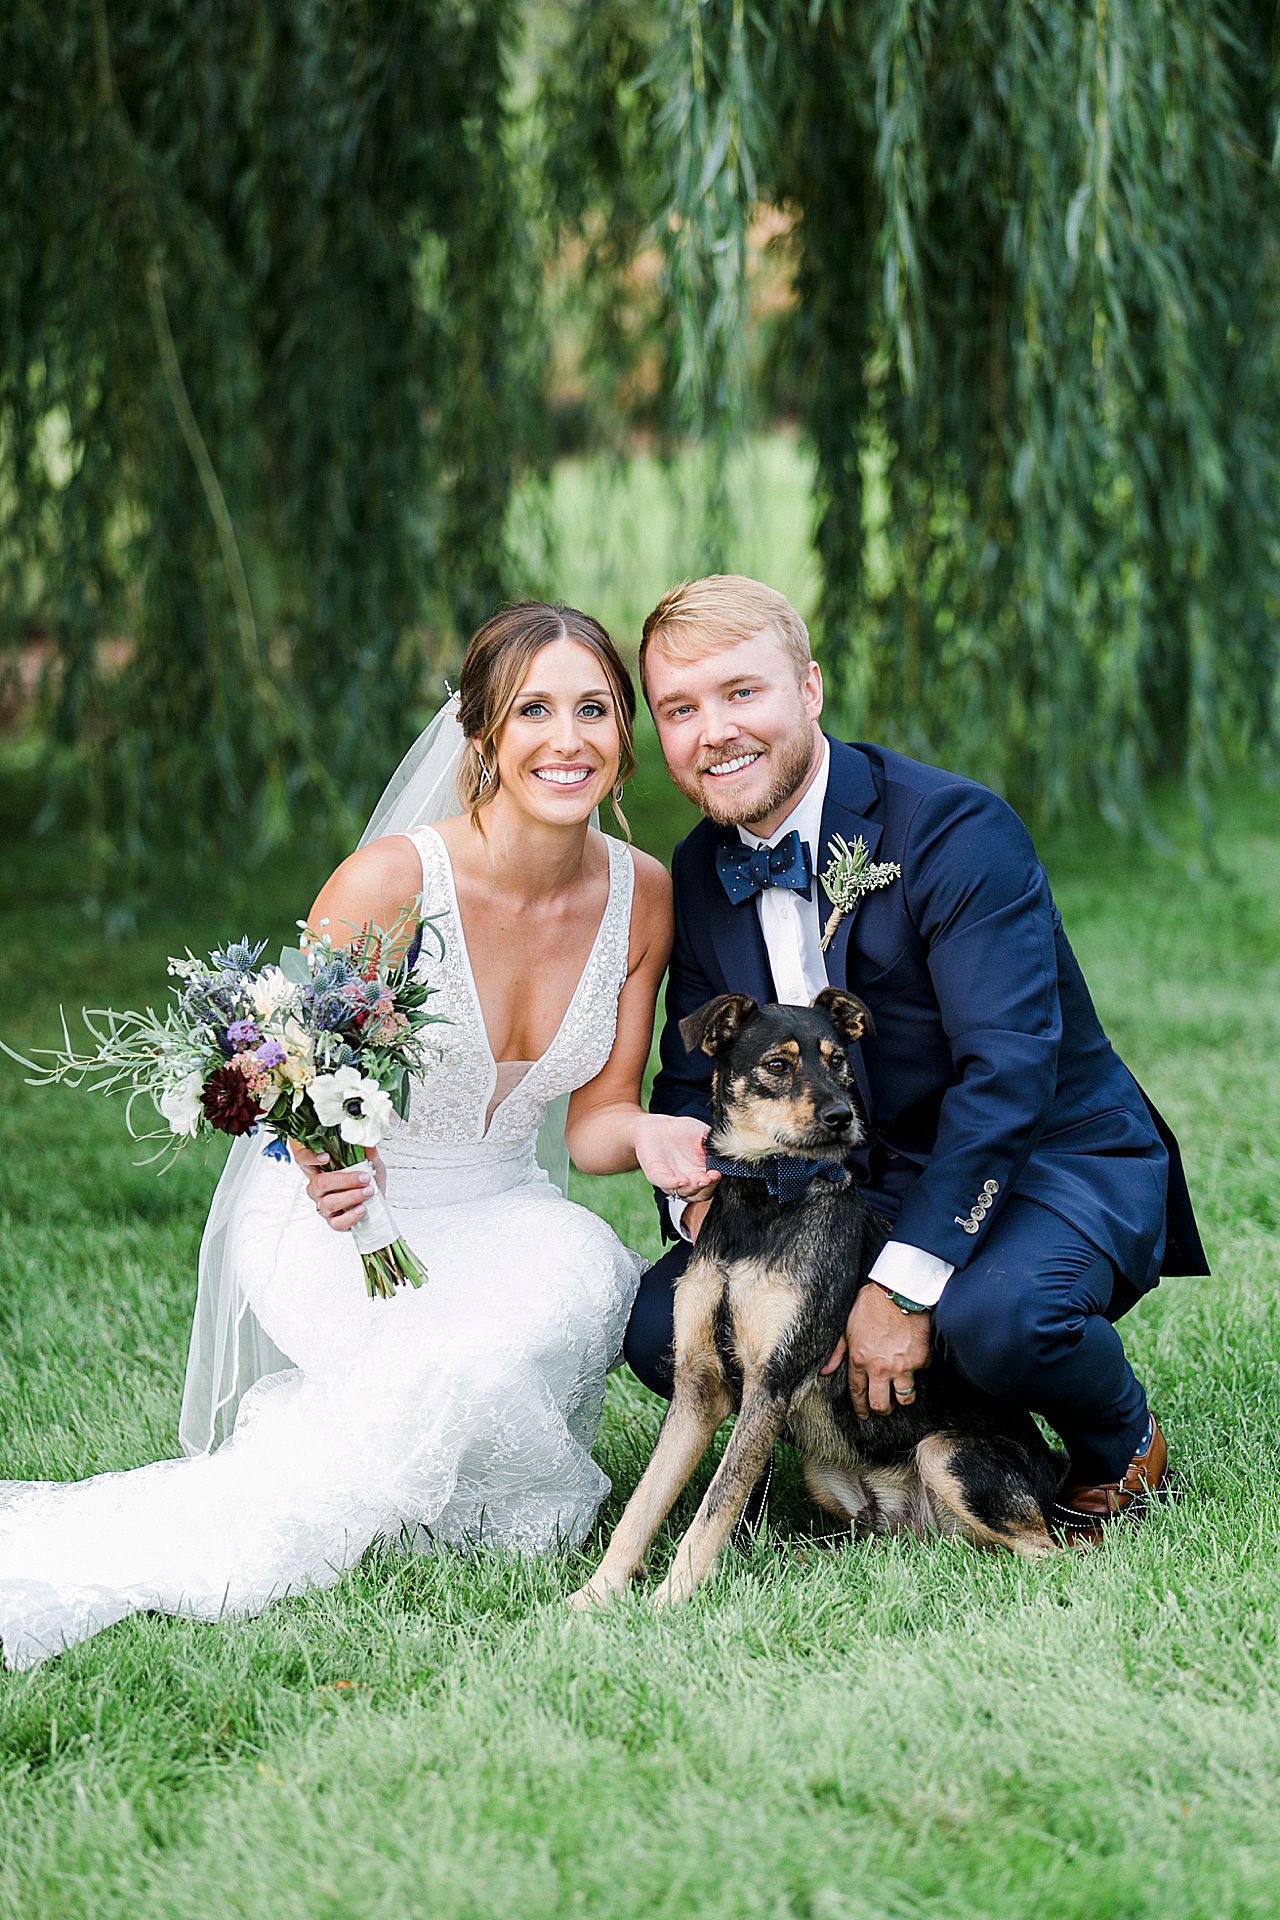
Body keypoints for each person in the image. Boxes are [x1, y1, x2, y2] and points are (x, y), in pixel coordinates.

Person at [0, 602, 710, 1670]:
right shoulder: (392, 883)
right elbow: (276, 1071)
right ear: (480, 738)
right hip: (343, 1216)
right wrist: (319, 1153)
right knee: (448, 1382)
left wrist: (652, 1131)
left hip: (503, 1203)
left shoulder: (641, 895)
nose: (567, 740)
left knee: (583, 1271)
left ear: (622, 736)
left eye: (595, 710)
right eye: (534, 712)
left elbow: (595, 1118)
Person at [624, 574, 1207, 1543]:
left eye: (741, 693)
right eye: (679, 709)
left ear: (807, 689)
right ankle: (891, 1450)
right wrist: (696, 1199)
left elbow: (1010, 1072)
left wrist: (898, 1286)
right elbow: (692, 1083)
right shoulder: (697, 868)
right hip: (851, 1182)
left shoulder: (952, 830)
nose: (712, 730)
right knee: (663, 1327)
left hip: (1038, 1156)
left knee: (996, 1318)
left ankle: (1118, 1444)